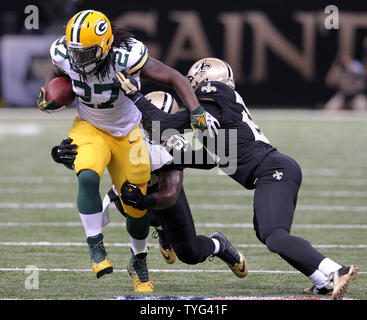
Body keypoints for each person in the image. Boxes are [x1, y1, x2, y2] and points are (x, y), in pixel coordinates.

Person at [112, 58, 359, 300]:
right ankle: (321, 281)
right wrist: (165, 157)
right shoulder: (220, 111)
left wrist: (136, 97)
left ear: (203, 80)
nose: (189, 88)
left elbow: (163, 122)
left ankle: (335, 270)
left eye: (191, 83)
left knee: (275, 236)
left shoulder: (214, 91)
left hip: (272, 171)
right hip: (273, 171)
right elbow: (212, 159)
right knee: (267, 234)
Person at [37, 10, 219, 293]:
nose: (78, 59)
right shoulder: (64, 52)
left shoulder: (127, 56)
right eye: (75, 53)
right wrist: (49, 90)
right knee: (87, 176)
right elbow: (60, 70)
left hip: (129, 131)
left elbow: (172, 76)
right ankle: (96, 248)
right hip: (90, 126)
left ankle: (139, 259)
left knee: (135, 203)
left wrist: (195, 111)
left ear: (106, 45)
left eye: (86, 53)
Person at [51, 91, 248, 291]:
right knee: (123, 199)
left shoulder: (174, 147)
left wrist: (145, 200)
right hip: (133, 190)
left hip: (161, 197)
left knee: (189, 253)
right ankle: (154, 239)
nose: (147, 128)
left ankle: (218, 245)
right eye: (144, 121)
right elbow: (91, 161)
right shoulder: (124, 132)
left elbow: (170, 195)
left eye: (154, 123)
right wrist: (65, 156)